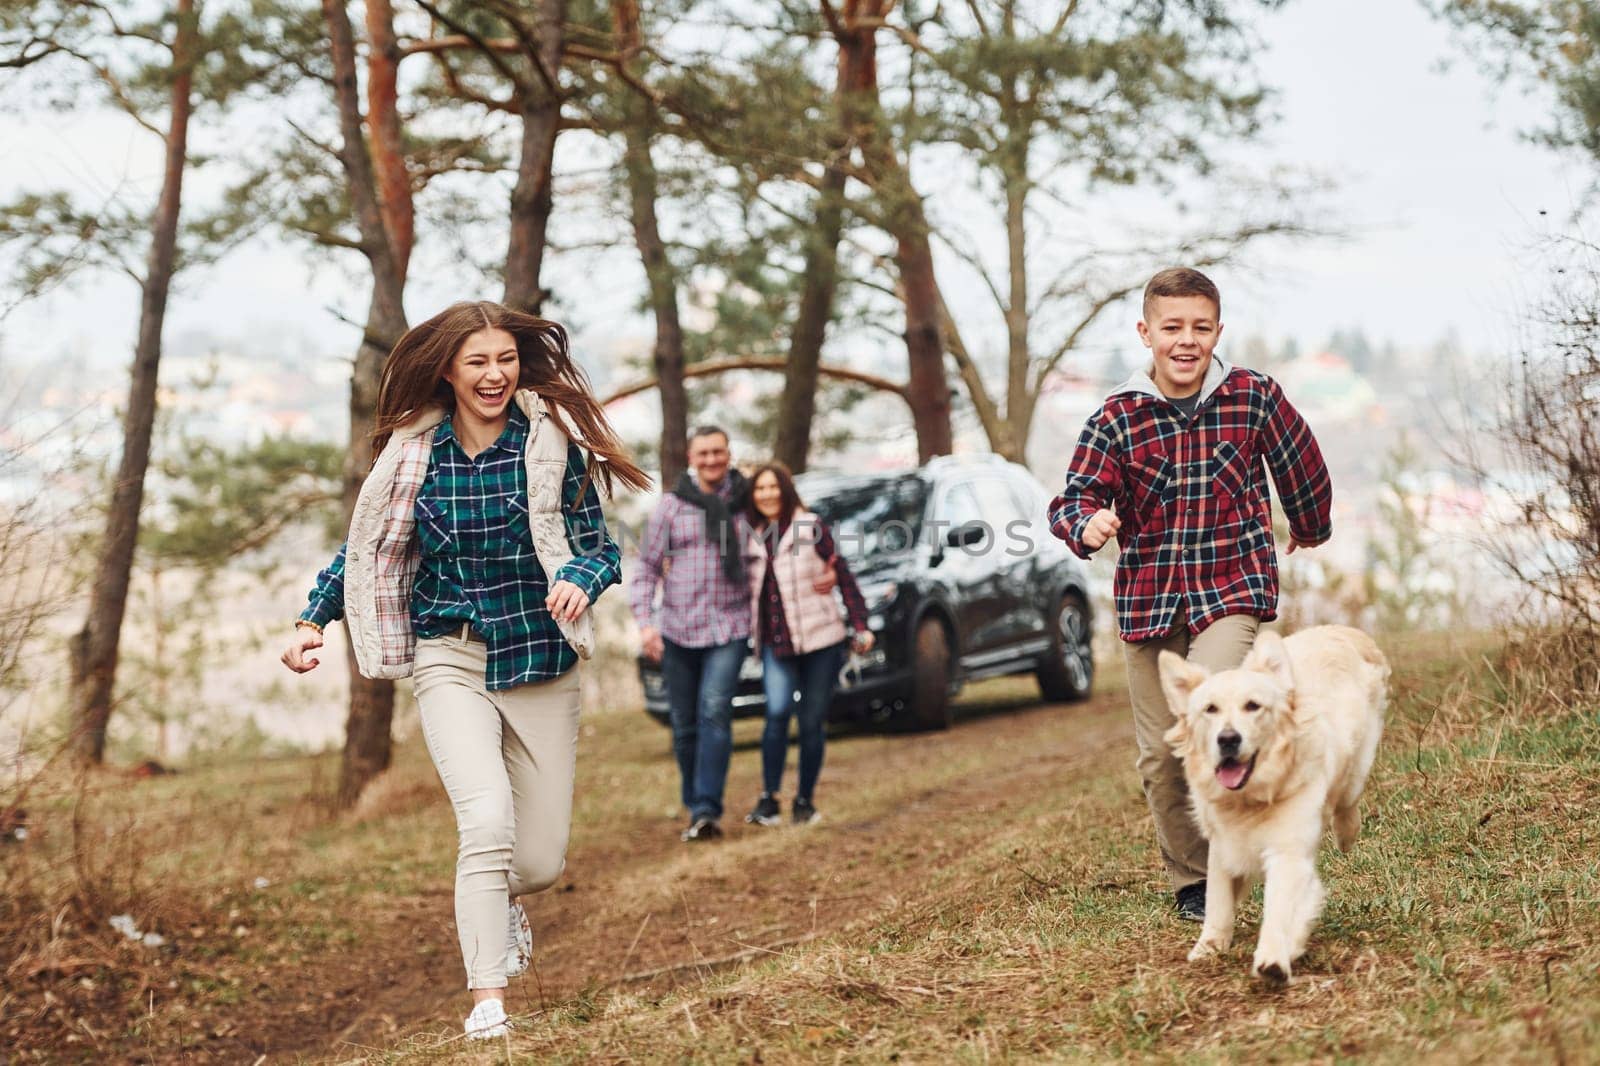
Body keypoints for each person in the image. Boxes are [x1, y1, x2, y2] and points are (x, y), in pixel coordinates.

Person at [280, 302, 648, 1040]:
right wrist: (312, 619)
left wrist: (581, 575)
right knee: (485, 822)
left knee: (538, 860)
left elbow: (600, 546)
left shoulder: (550, 444)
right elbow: (367, 551)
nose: (494, 374)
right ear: (448, 369)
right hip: (447, 653)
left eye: (505, 359)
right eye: (477, 361)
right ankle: (488, 1001)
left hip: (541, 657)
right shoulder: (415, 456)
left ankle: (499, 901)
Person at [1046, 267, 1332, 923]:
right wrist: (1086, 525)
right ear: (1146, 333)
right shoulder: (1118, 417)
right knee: (1162, 756)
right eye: (1172, 327)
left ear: (1217, 331)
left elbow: (1300, 458)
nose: (1186, 340)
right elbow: (1075, 496)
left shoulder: (1251, 396)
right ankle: (1193, 883)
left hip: (1230, 585)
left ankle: (1239, 863)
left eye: (1200, 327)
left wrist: (1310, 524)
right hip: (1149, 603)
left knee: (1222, 719)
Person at [739, 462, 872, 828]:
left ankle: (804, 802)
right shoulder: (745, 535)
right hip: (775, 643)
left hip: (820, 641)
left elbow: (841, 573)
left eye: (773, 487)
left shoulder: (811, 527)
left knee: (811, 721)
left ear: (785, 489)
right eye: (760, 488)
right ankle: (769, 800)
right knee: (777, 713)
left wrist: (861, 624)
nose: (767, 494)